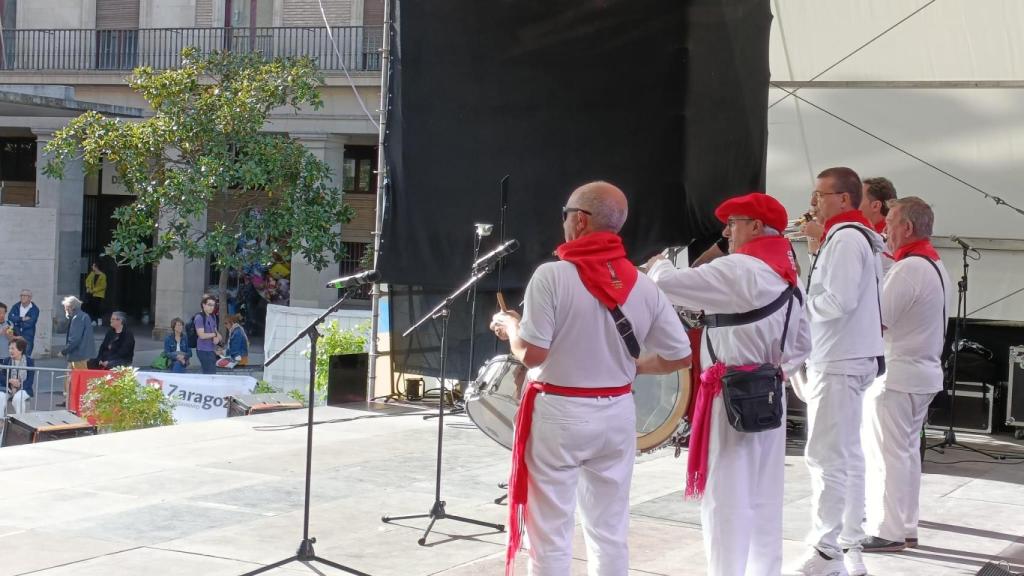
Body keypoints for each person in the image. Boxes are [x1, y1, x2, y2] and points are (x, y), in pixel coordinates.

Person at [489, 181, 692, 575]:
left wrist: (511, 327)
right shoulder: (642, 284)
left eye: (566, 214)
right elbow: (680, 354)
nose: (564, 222)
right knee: (609, 529)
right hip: (616, 413)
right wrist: (635, 367)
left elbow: (532, 354)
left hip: (560, 413)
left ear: (580, 221)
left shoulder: (552, 276)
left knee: (550, 532)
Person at [646, 192, 811, 576]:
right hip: (769, 393)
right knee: (765, 492)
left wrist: (658, 266)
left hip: (730, 396)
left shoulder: (740, 269)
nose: (726, 231)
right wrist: (773, 372)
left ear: (755, 226)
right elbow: (803, 344)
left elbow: (671, 286)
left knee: (726, 496)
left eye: (733, 222)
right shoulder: (789, 277)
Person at [785, 167, 886, 576]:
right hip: (851, 355)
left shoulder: (846, 238)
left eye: (820, 195)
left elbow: (837, 301)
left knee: (826, 456)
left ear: (844, 199)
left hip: (840, 358)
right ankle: (847, 544)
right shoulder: (855, 235)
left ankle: (826, 551)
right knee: (846, 454)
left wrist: (797, 301)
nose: (814, 202)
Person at [861, 197, 949, 553]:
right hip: (919, 372)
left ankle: (888, 529)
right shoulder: (931, 262)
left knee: (887, 455)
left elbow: (876, 321)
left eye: (891, 222)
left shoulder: (910, 268)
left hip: (898, 375)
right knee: (905, 454)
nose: (885, 228)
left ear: (907, 228)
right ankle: (905, 524)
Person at [58, 296, 95, 407]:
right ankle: (69, 399)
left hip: (78, 354)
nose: (65, 310)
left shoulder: (77, 318)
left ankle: (83, 401)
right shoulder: (84, 316)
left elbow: (74, 339)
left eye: (65, 308)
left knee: (80, 378)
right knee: (69, 377)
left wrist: (63, 351)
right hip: (81, 354)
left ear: (70, 307)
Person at [1, 337, 35, 418]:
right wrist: (10, 381)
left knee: (18, 398)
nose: (10, 351)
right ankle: (1, 422)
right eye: (9, 348)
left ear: (20, 350)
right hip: (8, 388)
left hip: (24, 388)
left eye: (13, 348)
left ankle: (20, 422)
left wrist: (19, 385)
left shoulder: (29, 361)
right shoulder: (7, 361)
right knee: (0, 397)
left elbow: (30, 380)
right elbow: (1, 376)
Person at [194, 294, 222, 374]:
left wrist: (218, 338)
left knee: (210, 373)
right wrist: (214, 335)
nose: (212, 307)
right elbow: (201, 335)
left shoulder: (212, 316)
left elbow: (216, 332)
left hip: (211, 350)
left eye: (213, 305)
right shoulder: (199, 317)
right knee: (210, 374)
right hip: (203, 350)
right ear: (203, 305)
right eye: (209, 305)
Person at [10, 289, 40, 356]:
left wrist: (17, 322)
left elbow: (31, 323)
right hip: (16, 335)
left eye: (25, 295)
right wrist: (22, 318)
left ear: (30, 297)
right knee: (15, 356)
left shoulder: (34, 309)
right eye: (21, 295)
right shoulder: (15, 306)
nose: (22, 297)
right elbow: (10, 317)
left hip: (27, 337)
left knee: (26, 356)